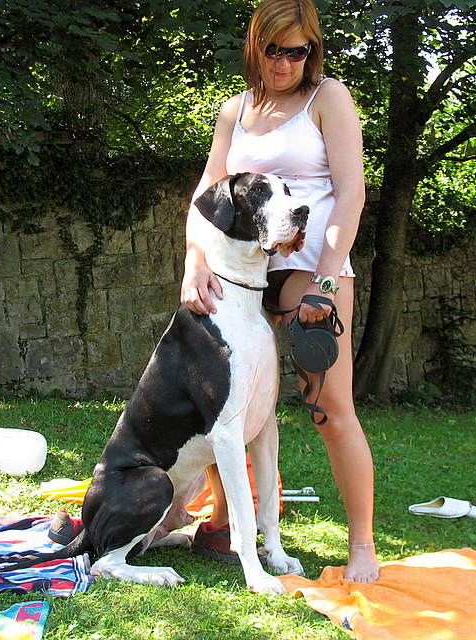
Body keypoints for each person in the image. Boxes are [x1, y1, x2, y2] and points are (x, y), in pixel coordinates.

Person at [180, 0, 380, 584]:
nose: (285, 63)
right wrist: (194, 261)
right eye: (274, 50)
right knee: (225, 402)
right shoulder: (235, 109)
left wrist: (326, 280)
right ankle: (224, 521)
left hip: (309, 271)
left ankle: (363, 544)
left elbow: (351, 194)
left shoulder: (328, 99)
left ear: (312, 51)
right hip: (237, 271)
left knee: (329, 408)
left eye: (298, 52)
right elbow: (208, 190)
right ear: (255, 46)